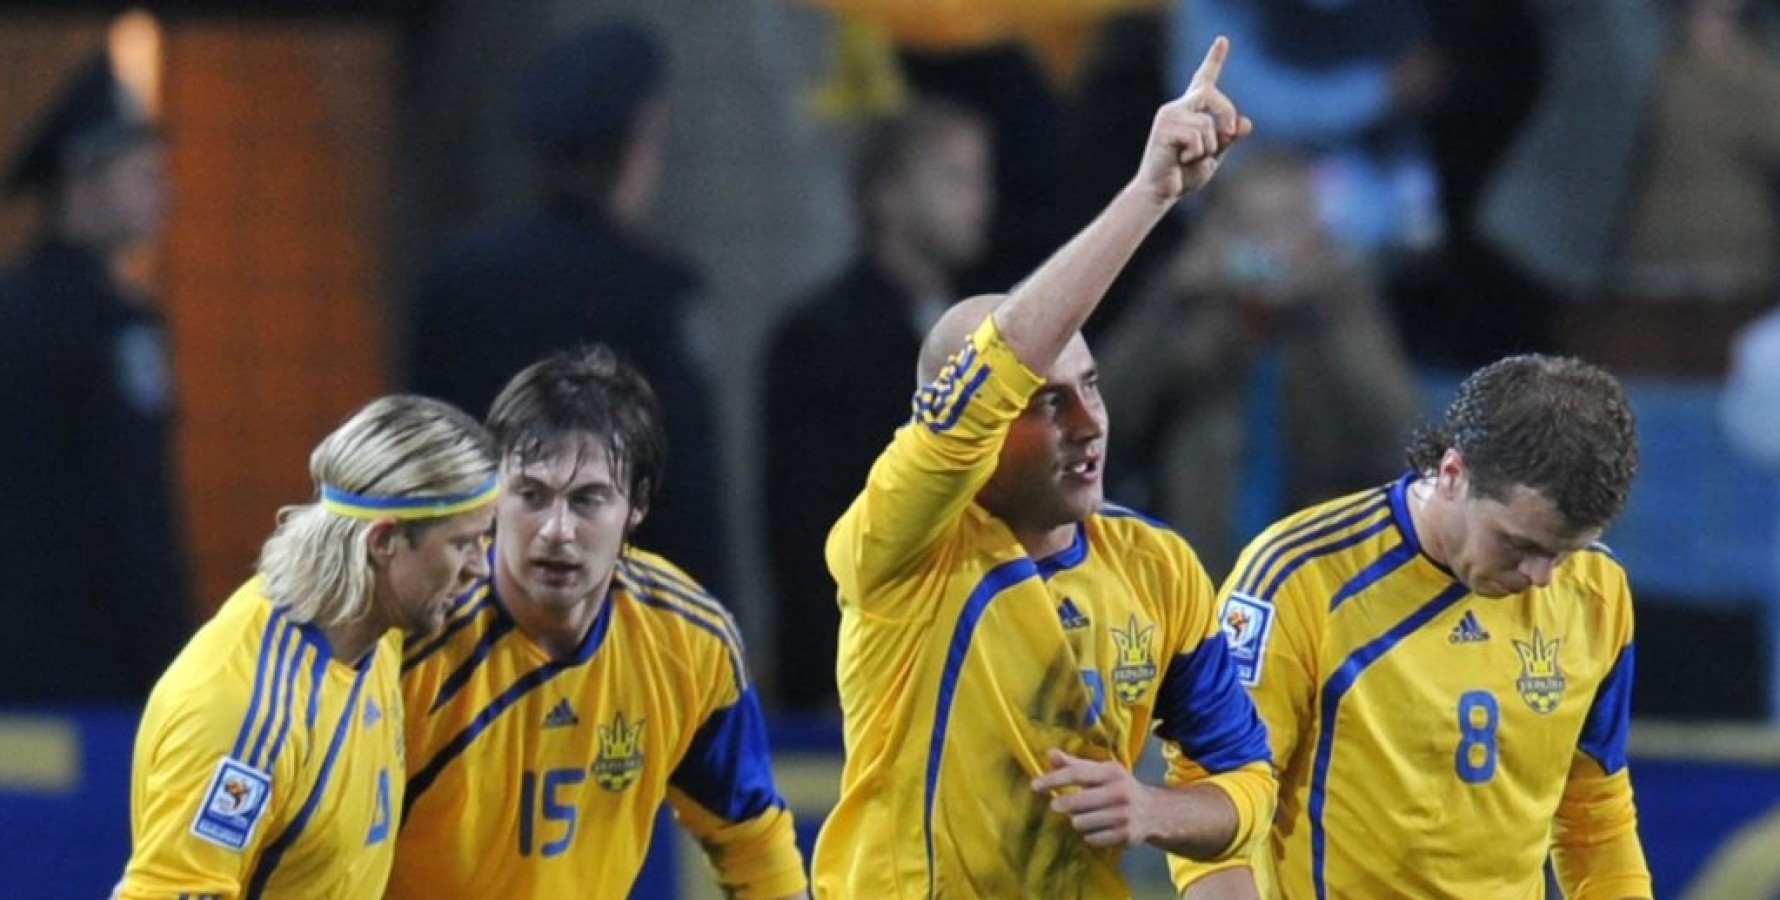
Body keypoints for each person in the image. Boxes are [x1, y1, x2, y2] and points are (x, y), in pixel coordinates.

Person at [809, 38, 1276, 899]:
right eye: (1045, 402)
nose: (1089, 423)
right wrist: (1149, 195)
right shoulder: (901, 547)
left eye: (1090, 386)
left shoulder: (1157, 571)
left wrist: (1152, 808)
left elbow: (1245, 781)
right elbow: (996, 368)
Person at [1176, 355, 1651, 898]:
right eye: (1517, 544)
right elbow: (1212, 793)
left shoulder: (1597, 592)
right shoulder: (1300, 581)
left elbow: (1594, 816)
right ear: (1453, 475)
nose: (1541, 577)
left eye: (1563, 553)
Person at [389, 346, 808, 899]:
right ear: (492, 494)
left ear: (636, 505)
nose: (556, 531)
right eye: (532, 496)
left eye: (587, 500)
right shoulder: (409, 641)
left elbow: (752, 840)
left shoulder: (689, 642)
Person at [114, 395, 501, 899]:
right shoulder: (243, 712)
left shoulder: (378, 628)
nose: (480, 568)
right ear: (383, 541)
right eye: (463, 543)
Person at [403, 19, 730, 595]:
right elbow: (686, 498)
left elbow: (423, 459)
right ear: (632, 150)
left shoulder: (458, 278)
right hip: (615, 614)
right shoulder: (652, 294)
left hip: (473, 599)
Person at [762, 97, 993, 713]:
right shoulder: (819, 340)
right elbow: (804, 528)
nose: (979, 200)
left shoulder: (991, 330)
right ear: (888, 194)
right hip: (860, 674)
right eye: (955, 178)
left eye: (981, 178)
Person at [1099, 148, 1422, 578]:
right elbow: (1107, 413)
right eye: (1254, 225)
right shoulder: (1189, 303)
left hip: (1315, 568)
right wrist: (1176, 295)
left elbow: (1394, 430)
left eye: (1289, 223)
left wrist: (1334, 310)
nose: (1273, 245)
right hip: (1197, 562)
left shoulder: (1340, 303)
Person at [0, 48, 191, 702]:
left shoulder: (14, 307)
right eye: (145, 174)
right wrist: (173, 659)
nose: (164, 194)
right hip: (95, 666)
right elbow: (135, 510)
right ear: (84, 181)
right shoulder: (117, 328)